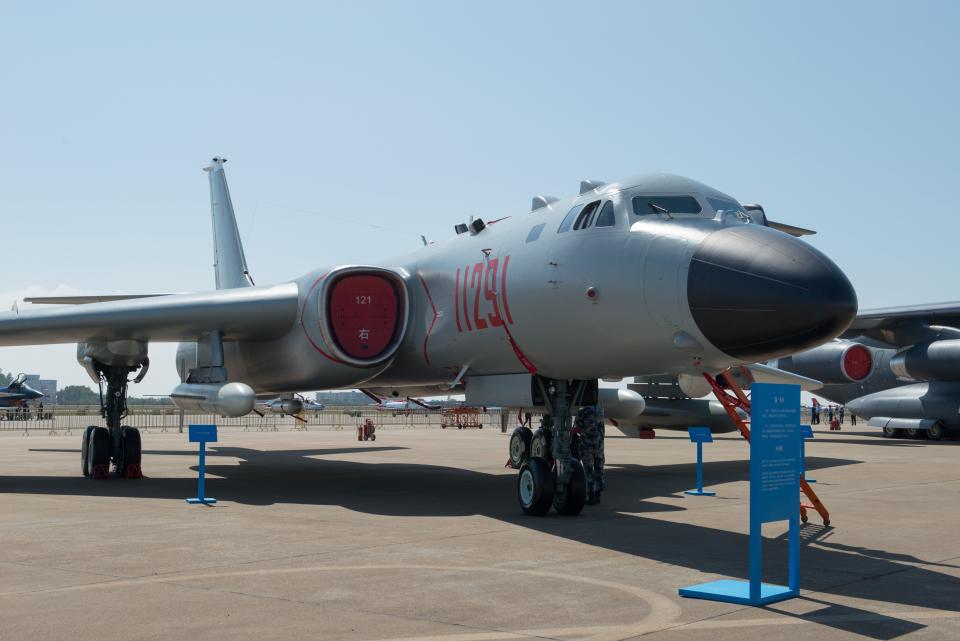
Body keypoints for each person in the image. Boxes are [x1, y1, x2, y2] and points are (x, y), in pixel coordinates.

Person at [577, 405, 604, 505]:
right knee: (599, 470)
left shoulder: (583, 411)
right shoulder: (600, 409)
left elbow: (578, 426)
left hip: (587, 446)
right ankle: (598, 495)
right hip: (599, 446)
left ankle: (591, 496)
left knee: (589, 471)